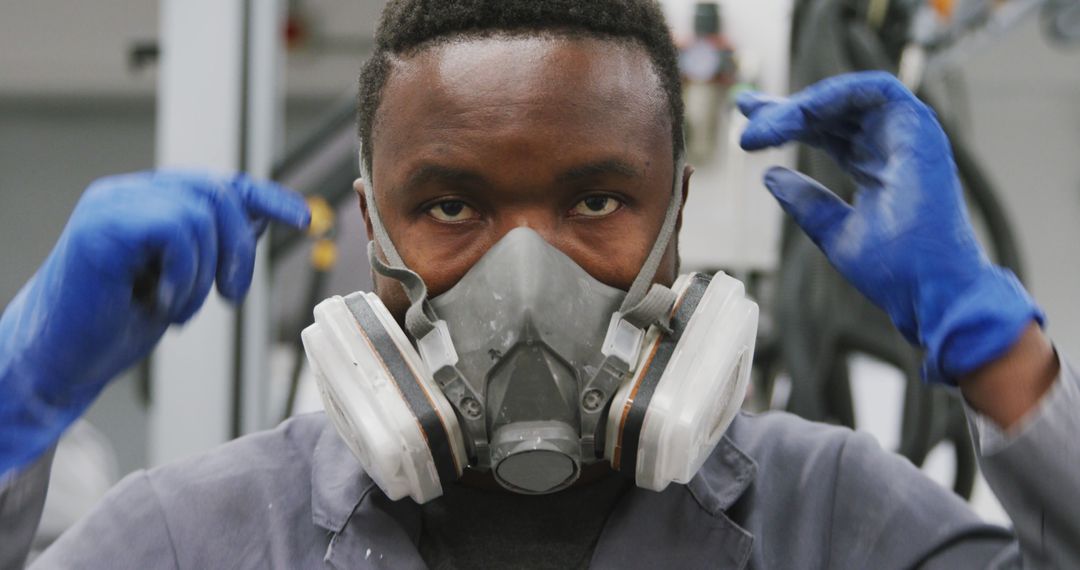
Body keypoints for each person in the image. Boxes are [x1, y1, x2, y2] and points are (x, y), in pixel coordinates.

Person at [1, 1, 1076, 568]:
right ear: (373, 225)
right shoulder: (198, 538)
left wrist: (996, 351)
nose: (527, 275)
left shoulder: (830, 517)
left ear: (676, 220)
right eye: (453, 207)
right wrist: (19, 397)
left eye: (598, 202)